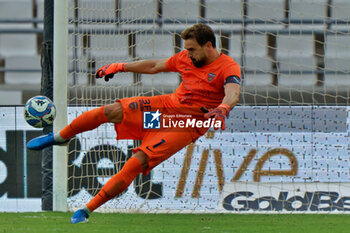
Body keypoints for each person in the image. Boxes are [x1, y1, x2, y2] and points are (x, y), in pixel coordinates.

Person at [27, 23, 241, 223]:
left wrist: (223, 107)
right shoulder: (186, 58)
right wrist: (120, 66)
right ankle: (59, 137)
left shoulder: (228, 67)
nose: (188, 53)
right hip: (164, 110)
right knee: (111, 110)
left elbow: (233, 93)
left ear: (209, 45)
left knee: (135, 162)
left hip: (185, 124)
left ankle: (87, 209)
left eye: (192, 49)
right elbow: (155, 65)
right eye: (187, 49)